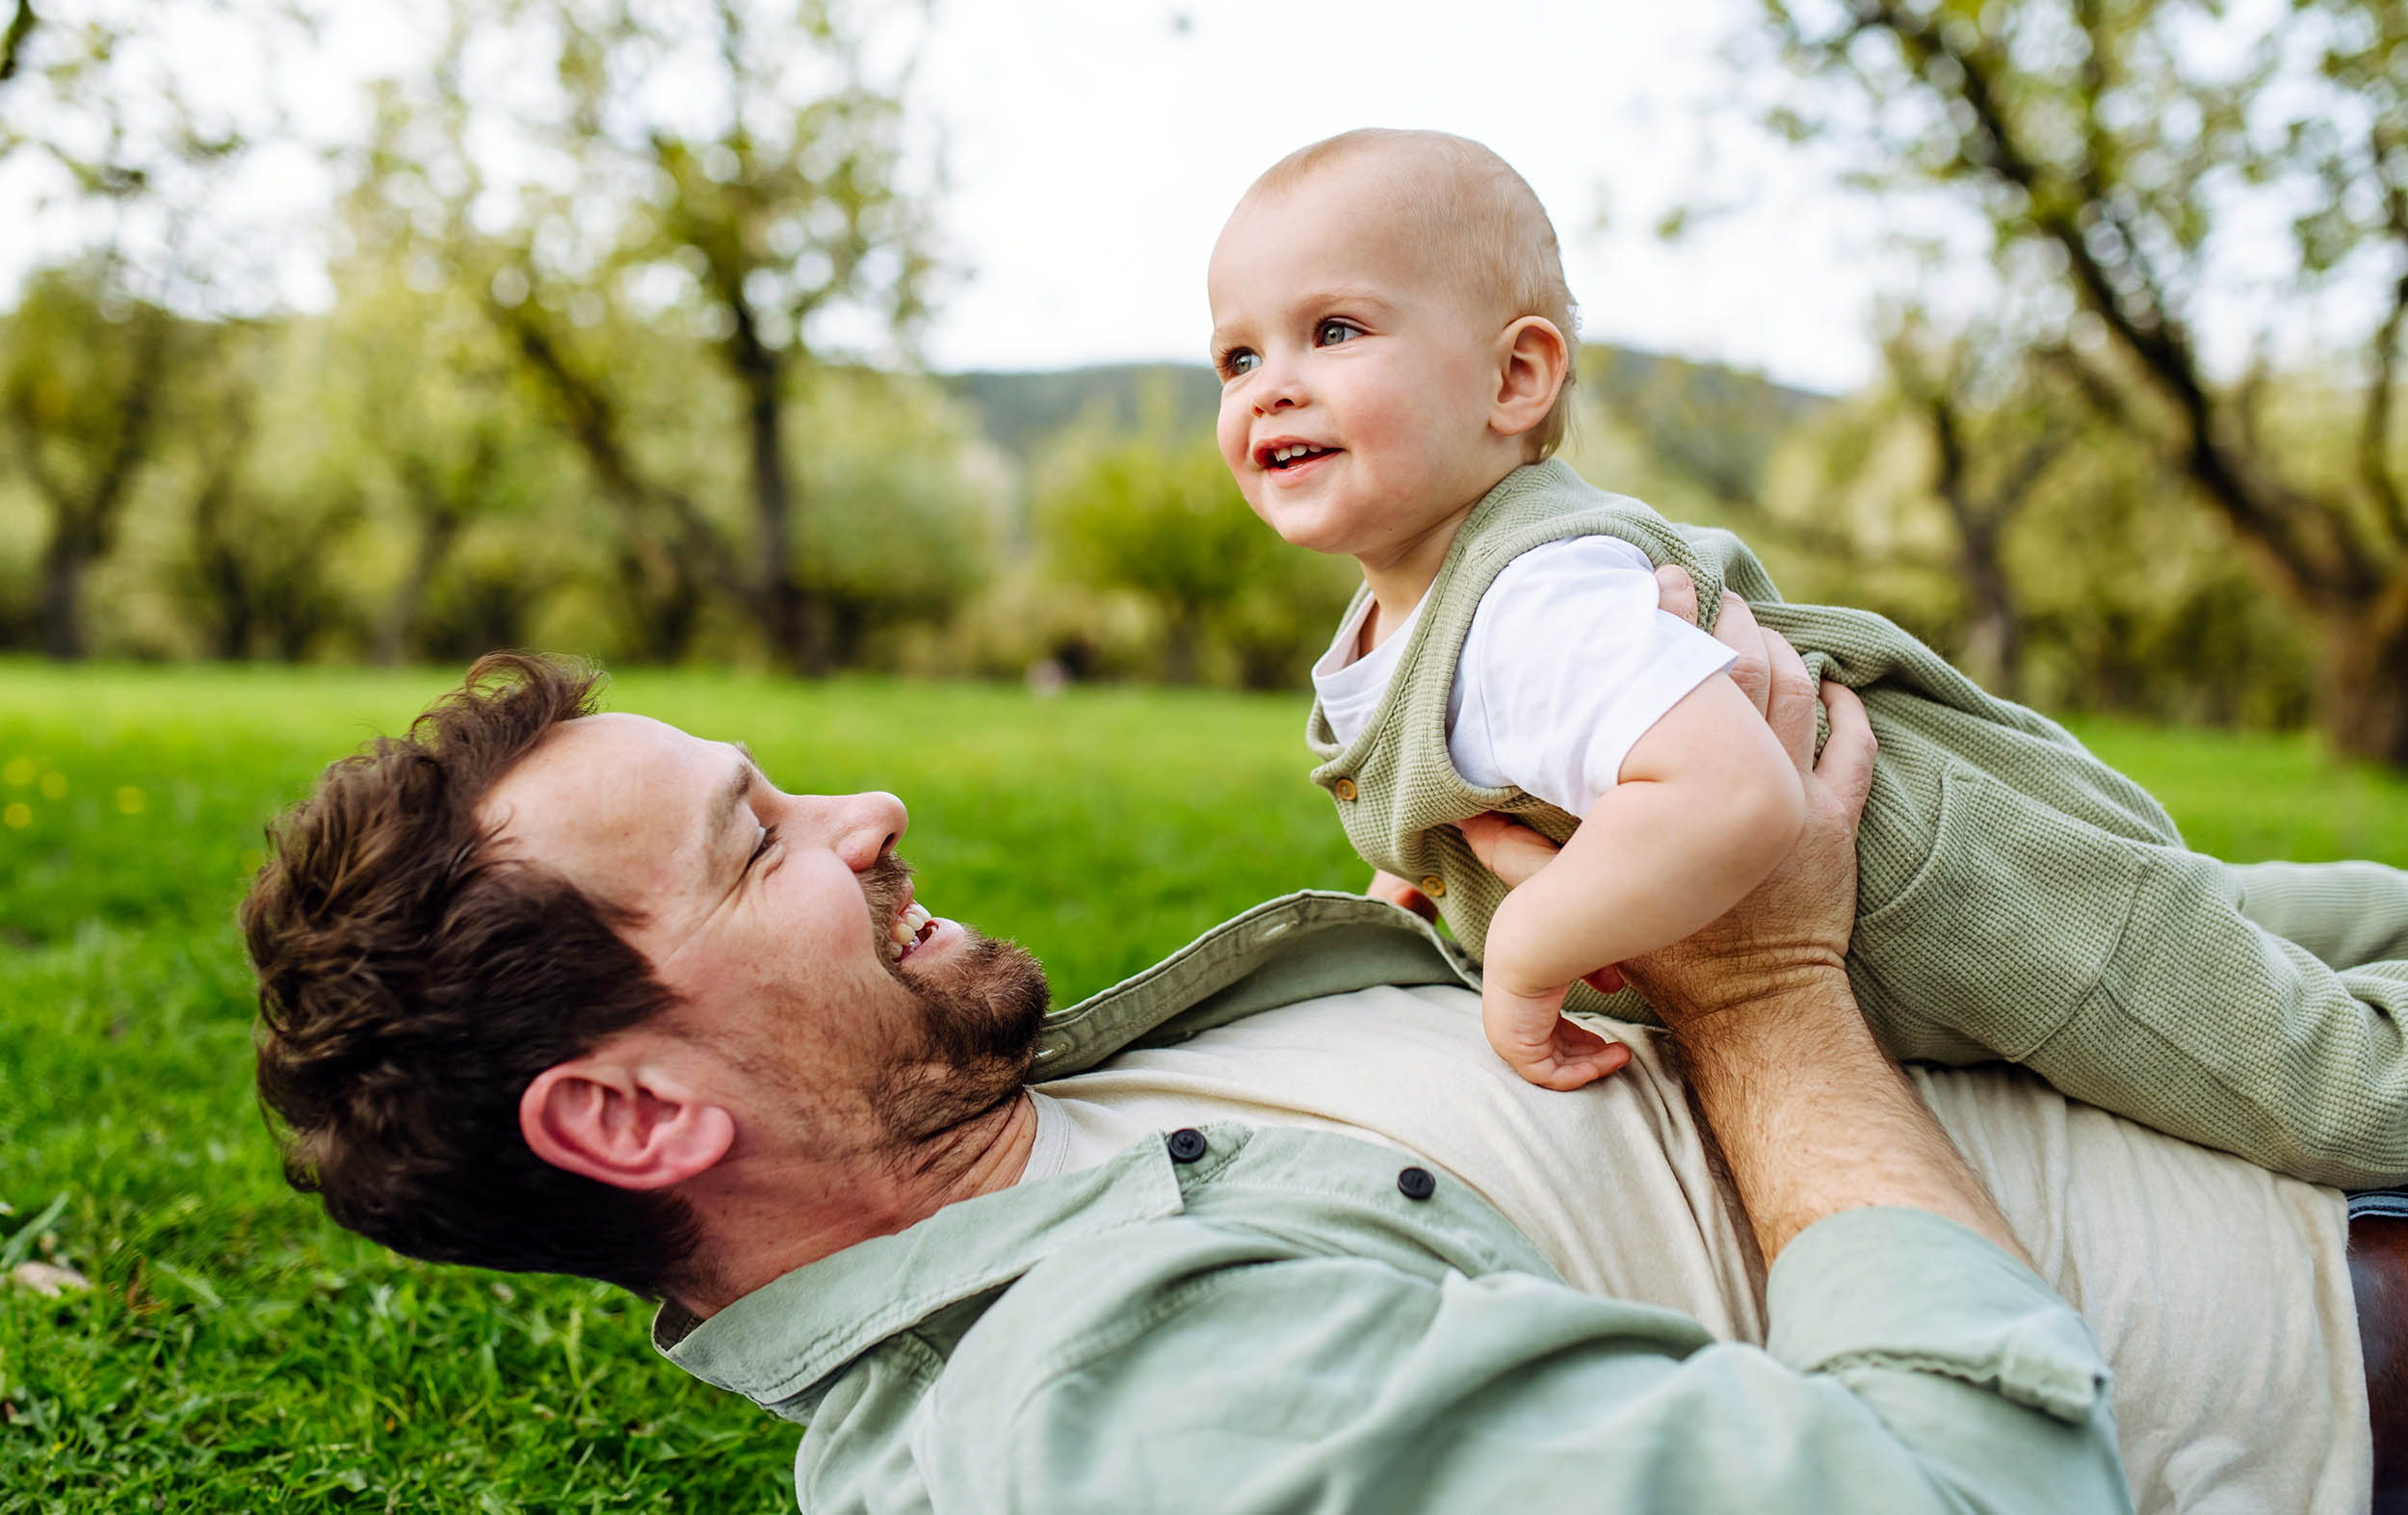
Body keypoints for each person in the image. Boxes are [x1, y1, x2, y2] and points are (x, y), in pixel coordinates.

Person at [242, 596, 2394, 1512]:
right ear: (631, 1109)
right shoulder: (1121, 1423)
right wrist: (1757, 993)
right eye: (760, 842)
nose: (864, 811)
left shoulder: (1053, 1111)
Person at [1207, 127, 2408, 1188]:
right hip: (1946, 873)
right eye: (1239, 358)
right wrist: (1414, 901)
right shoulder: (1416, 620)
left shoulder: (1531, 605)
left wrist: (1524, 955)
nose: (1272, 390)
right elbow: (1453, 795)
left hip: (1970, 911)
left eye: (1335, 330)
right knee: (2257, 919)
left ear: (1514, 377)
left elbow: (1730, 791)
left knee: (2333, 1091)